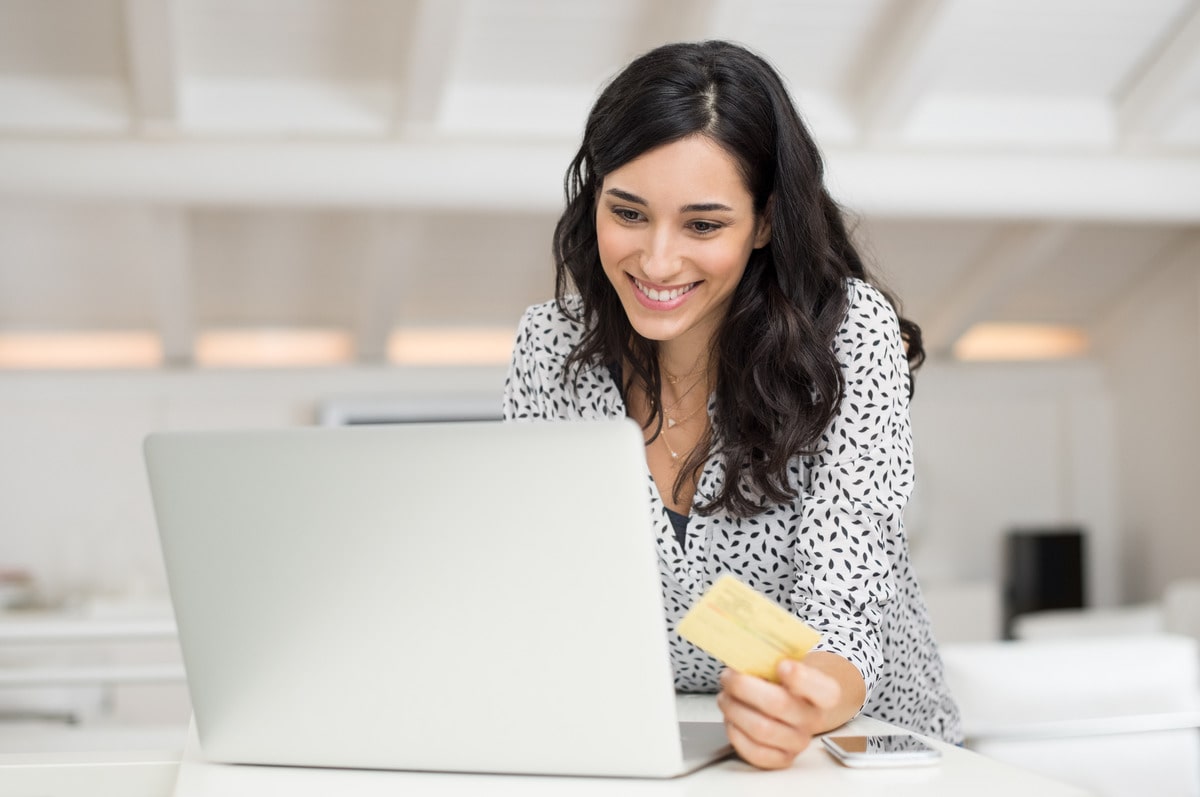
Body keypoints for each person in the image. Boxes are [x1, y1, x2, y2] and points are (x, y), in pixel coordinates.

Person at [502, 40, 962, 769]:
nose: (656, 261)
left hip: (864, 747)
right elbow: (544, 587)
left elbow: (843, 610)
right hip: (656, 746)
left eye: (703, 225)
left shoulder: (849, 340)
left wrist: (805, 702)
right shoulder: (549, 349)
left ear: (767, 222)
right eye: (627, 212)